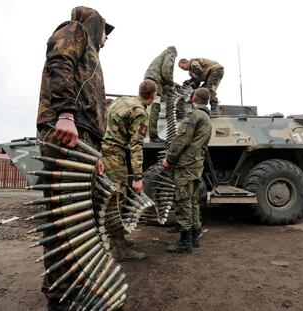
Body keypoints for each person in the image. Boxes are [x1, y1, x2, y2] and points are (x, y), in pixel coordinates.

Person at [36, 6, 114, 310]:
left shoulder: (93, 56)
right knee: (64, 218)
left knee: (84, 218)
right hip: (69, 134)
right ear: (97, 25)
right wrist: (65, 114)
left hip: (85, 140)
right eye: (106, 31)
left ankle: (78, 286)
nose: (107, 38)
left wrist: (97, 154)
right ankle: (60, 296)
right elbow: (59, 63)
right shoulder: (75, 30)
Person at [101, 79, 157, 260]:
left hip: (104, 151)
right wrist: (138, 176)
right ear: (153, 96)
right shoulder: (140, 113)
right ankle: (118, 248)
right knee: (117, 199)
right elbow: (136, 145)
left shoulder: (123, 101)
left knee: (113, 196)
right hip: (115, 155)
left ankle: (119, 240)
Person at [162, 87, 212, 253]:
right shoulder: (206, 117)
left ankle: (185, 243)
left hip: (186, 164)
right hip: (197, 164)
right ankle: (195, 235)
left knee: (183, 200)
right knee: (193, 201)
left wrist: (169, 159)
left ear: (193, 98)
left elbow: (182, 139)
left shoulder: (194, 115)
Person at [144, 46, 178, 143]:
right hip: (155, 82)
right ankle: (153, 135)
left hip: (150, 79)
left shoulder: (161, 55)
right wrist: (171, 83)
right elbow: (166, 71)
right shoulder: (170, 54)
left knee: (146, 106)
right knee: (156, 107)